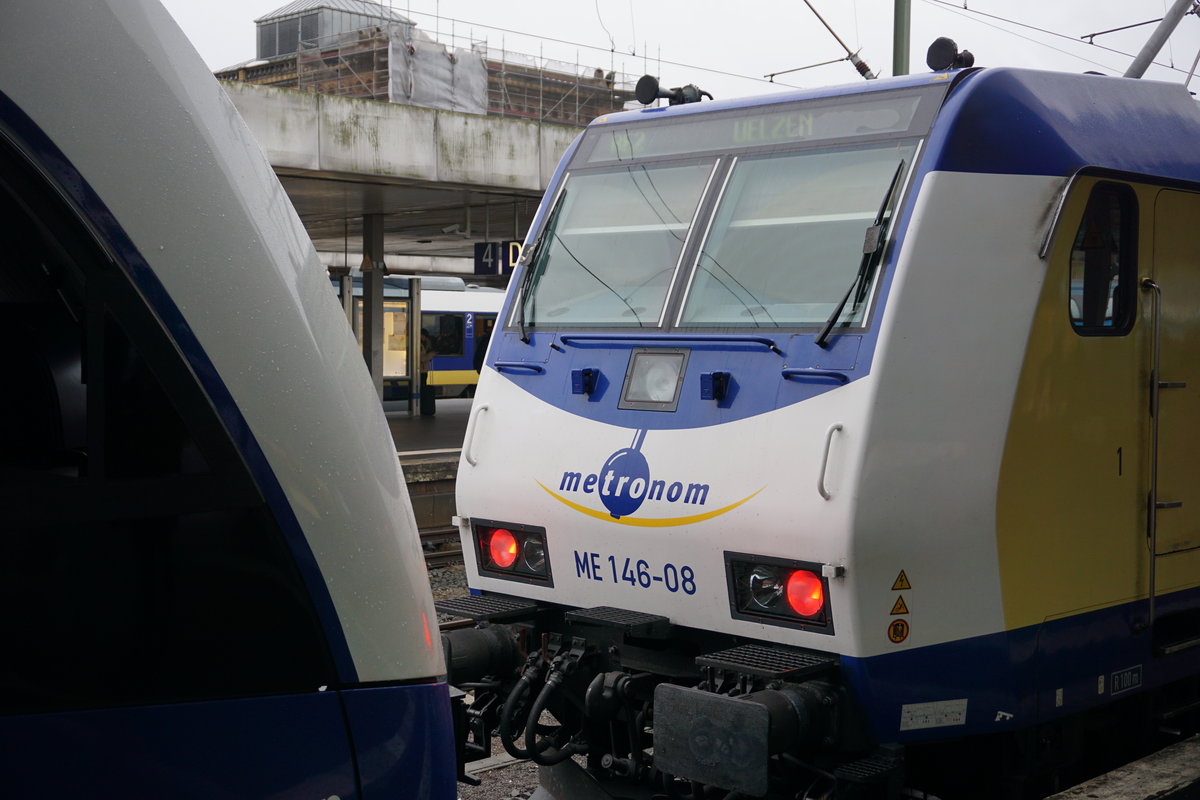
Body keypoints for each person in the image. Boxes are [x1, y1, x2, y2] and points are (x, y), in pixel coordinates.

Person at [419, 330, 436, 416]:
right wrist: (430, 355)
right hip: (421, 370)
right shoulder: (419, 345)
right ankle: (421, 408)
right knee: (422, 387)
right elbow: (421, 358)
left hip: (424, 370)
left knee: (423, 387)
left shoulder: (425, 344)